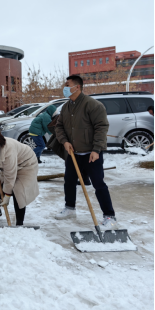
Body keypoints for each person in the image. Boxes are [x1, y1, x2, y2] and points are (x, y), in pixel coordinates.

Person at [54, 75, 118, 229]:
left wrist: (96, 149)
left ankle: (109, 216)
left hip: (91, 154)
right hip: (73, 153)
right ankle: (70, 208)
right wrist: (65, 141)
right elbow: (59, 126)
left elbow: (101, 127)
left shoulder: (93, 105)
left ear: (77, 87)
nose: (65, 87)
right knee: (69, 181)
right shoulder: (66, 107)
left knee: (98, 184)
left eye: (67, 85)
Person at [0, 128, 39, 226]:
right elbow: (3, 169)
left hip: (26, 164)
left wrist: (7, 195)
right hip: (10, 164)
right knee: (2, 186)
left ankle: (19, 223)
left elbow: (10, 175)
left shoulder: (8, 149)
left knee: (18, 190)